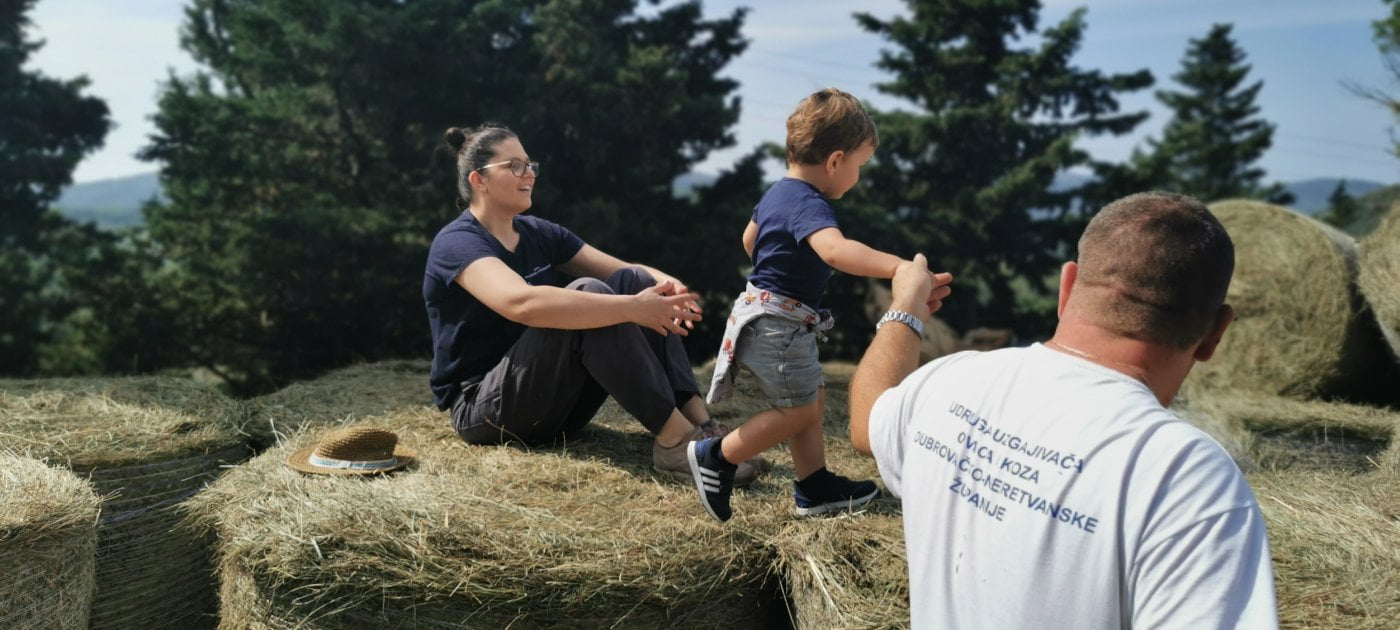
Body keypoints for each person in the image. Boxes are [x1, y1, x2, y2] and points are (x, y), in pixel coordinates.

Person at [849, 192, 1279, 628]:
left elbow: (867, 423)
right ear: (1216, 333)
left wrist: (905, 308)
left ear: (1067, 286)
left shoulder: (948, 381)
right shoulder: (1185, 477)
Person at [423, 124, 761, 485]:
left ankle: (702, 426)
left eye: (530, 165)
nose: (530, 174)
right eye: (515, 166)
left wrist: (667, 286)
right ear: (479, 180)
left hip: (555, 401)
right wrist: (632, 308)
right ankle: (676, 442)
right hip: (487, 410)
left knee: (636, 282)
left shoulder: (537, 232)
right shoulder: (457, 243)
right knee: (593, 293)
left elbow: (625, 272)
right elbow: (519, 303)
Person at [689, 88, 951, 522]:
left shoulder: (778, 193)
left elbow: (749, 240)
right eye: (859, 165)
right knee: (795, 411)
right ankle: (718, 455)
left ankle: (814, 487)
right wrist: (900, 269)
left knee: (810, 399)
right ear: (834, 161)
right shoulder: (809, 203)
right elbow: (834, 251)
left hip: (767, 314)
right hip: (778, 322)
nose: (858, 175)